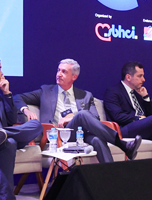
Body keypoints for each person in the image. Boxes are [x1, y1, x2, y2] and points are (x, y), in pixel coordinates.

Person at [14, 59, 142, 163]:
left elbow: (95, 119)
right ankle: (122, 144)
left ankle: (111, 177)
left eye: (64, 71)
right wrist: (26, 111)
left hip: (81, 134)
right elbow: (17, 97)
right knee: (82, 114)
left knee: (97, 139)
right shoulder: (46, 91)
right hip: (57, 134)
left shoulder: (85, 95)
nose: (59, 74)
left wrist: (72, 117)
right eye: (58, 70)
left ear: (74, 76)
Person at [0, 58, 43, 200]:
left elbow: (11, 119)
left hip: (3, 136)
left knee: (36, 125)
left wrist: (7, 94)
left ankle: (1, 134)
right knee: (9, 143)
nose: (2, 73)